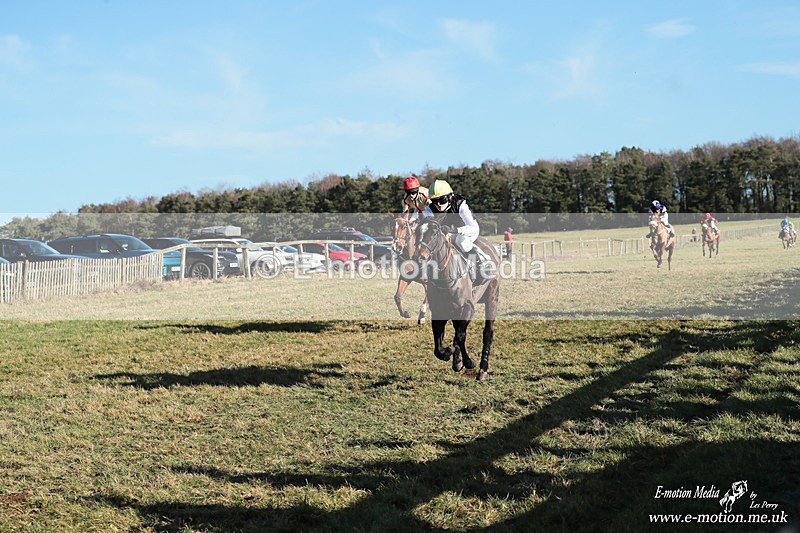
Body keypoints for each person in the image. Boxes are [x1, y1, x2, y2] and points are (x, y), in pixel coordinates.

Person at [424, 179, 493, 285]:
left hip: (465, 232)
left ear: (450, 197)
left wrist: (456, 230)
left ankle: (482, 264)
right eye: (434, 201)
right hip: (444, 234)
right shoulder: (429, 208)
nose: (438, 204)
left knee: (461, 242)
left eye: (441, 200)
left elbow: (474, 227)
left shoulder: (461, 205)